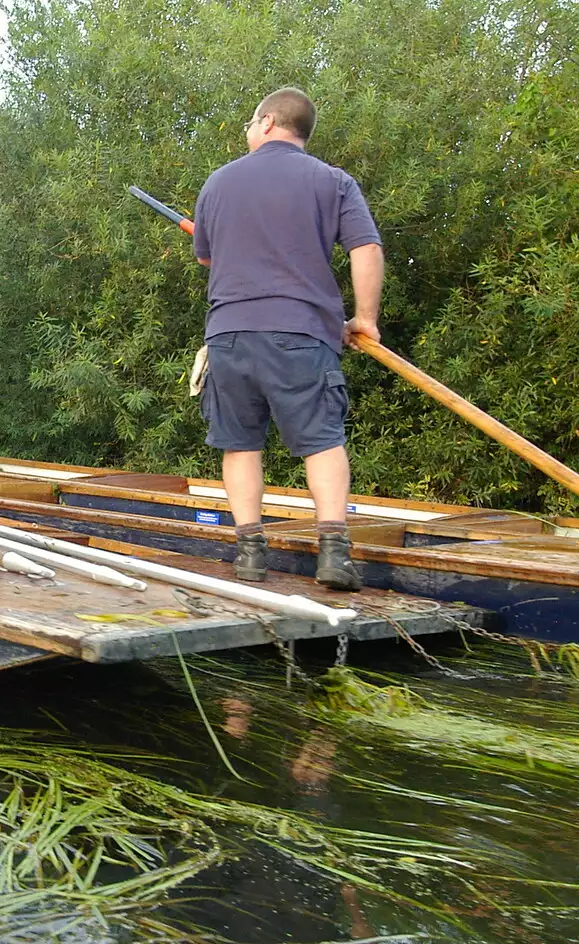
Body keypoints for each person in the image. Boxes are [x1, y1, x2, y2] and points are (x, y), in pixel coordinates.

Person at [192, 87, 384, 591]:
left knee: (239, 445)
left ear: (270, 121)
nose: (247, 132)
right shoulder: (334, 182)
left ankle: (251, 556)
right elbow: (366, 248)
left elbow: (207, 257)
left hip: (231, 335)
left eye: (251, 123)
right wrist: (364, 318)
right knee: (322, 442)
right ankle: (334, 556)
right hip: (302, 332)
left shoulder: (217, 183)